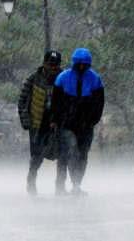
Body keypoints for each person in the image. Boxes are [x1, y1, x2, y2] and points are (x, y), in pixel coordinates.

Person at [51, 48, 105, 196]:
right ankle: (72, 183)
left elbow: (99, 103)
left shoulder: (95, 79)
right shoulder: (63, 78)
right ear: (74, 63)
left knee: (83, 154)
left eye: (84, 64)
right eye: (79, 64)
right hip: (67, 124)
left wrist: (93, 120)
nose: (81, 67)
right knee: (72, 150)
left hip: (86, 125)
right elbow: (55, 102)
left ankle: (77, 184)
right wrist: (56, 119)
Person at [18, 50, 63, 196]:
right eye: (50, 65)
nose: (53, 68)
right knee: (37, 156)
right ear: (44, 63)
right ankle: (31, 180)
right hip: (38, 124)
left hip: (59, 123)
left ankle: (60, 186)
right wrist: (26, 121)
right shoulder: (33, 79)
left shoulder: (64, 78)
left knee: (63, 155)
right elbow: (23, 100)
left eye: (56, 65)